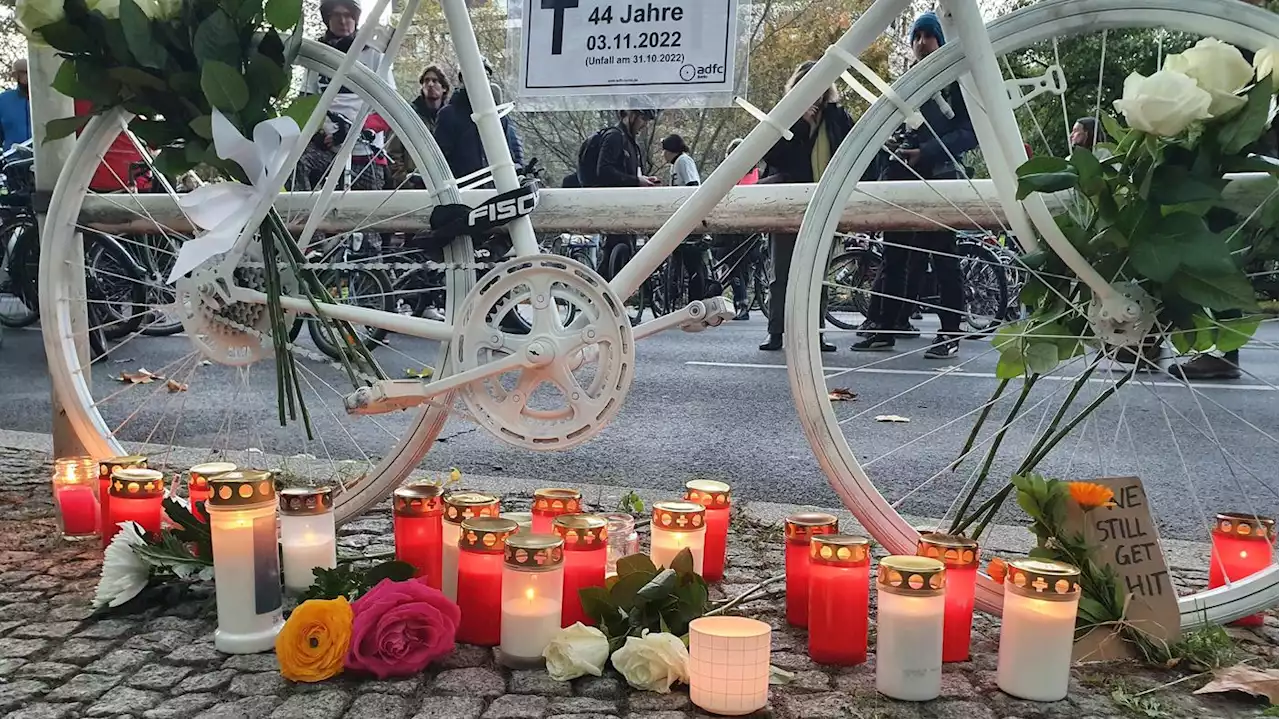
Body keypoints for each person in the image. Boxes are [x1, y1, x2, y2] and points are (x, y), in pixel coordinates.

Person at [852, 12, 975, 359]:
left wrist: (926, 151)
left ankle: (950, 330)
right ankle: (887, 328)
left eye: (929, 35)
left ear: (941, 39)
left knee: (942, 257)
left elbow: (969, 133)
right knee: (894, 256)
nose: (922, 42)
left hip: (939, 179)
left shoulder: (956, 81)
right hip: (901, 176)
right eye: (916, 36)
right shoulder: (907, 80)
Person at [757, 61, 855, 353]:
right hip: (788, 204)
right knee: (781, 273)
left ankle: (816, 333)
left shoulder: (838, 118)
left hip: (825, 203)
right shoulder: (785, 117)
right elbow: (771, 155)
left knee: (818, 274)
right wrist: (799, 124)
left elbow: (852, 152)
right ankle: (776, 331)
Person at [296, 0, 395, 193]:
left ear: (356, 18)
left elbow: (391, 109)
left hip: (366, 153)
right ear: (327, 19)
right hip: (328, 151)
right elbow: (305, 103)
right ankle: (302, 220)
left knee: (366, 212)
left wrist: (354, 129)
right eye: (336, 15)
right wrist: (316, 134)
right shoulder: (319, 55)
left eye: (348, 15)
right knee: (295, 164)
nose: (343, 21)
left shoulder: (374, 54)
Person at [585, 109, 661, 280]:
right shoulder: (615, 137)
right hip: (613, 207)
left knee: (617, 257)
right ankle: (599, 299)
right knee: (616, 257)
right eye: (643, 118)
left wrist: (641, 179)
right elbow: (603, 171)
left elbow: (626, 173)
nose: (645, 125)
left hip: (625, 209)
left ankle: (601, 299)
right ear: (630, 115)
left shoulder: (629, 141)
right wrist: (636, 180)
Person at [434, 57, 525, 183]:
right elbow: (440, 161)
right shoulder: (448, 115)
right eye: (475, 75)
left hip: (496, 192)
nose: (481, 80)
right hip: (464, 192)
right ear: (463, 79)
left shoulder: (499, 115)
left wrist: (519, 171)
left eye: (486, 75)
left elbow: (511, 155)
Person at [662, 134, 712, 301]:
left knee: (692, 261)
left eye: (664, 151)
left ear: (671, 150)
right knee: (680, 257)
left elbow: (693, 184)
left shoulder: (684, 161)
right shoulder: (675, 164)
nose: (663, 154)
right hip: (680, 218)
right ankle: (676, 294)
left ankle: (695, 299)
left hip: (689, 216)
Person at [386, 64, 450, 188]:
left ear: (444, 88)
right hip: (413, 185)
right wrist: (404, 181)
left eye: (435, 81)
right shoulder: (408, 115)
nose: (430, 84)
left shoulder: (449, 117)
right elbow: (393, 152)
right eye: (426, 81)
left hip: (442, 185)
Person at [720, 137, 761, 320]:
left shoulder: (732, 173)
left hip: (735, 226)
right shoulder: (756, 172)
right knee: (742, 266)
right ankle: (742, 301)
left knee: (733, 265)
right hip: (752, 226)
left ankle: (741, 303)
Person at [0, 59, 31, 151]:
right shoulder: (3, 100)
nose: (28, 76)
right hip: (13, 160)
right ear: (15, 75)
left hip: (43, 158)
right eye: (24, 72)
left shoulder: (48, 99)